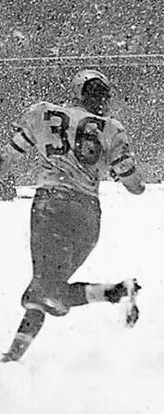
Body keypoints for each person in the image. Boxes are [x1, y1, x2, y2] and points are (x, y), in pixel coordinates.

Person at [0, 69, 144, 363]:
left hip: (50, 206)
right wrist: (116, 169)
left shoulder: (43, 113)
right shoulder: (111, 128)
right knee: (47, 288)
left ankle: (112, 292)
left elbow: (7, 158)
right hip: (87, 216)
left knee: (44, 289)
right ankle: (14, 356)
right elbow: (137, 187)